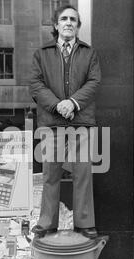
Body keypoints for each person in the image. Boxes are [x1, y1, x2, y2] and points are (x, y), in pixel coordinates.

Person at [29, 5, 101, 238]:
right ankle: (47, 223)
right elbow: (35, 84)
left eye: (73, 19)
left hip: (81, 121)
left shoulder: (89, 53)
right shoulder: (42, 53)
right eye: (64, 19)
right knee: (50, 174)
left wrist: (72, 103)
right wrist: (58, 105)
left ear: (78, 26)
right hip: (52, 122)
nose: (68, 22)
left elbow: (94, 82)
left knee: (83, 173)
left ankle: (84, 223)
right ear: (56, 25)